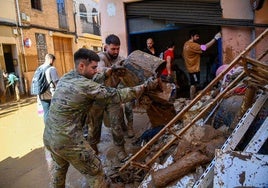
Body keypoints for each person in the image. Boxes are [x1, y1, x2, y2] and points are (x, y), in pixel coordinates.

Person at [43, 48, 158, 187]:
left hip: (49, 137)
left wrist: (108, 71)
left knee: (59, 170)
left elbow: (93, 79)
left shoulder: (67, 77)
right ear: (81, 66)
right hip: (68, 139)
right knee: (95, 172)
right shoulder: (85, 86)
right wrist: (145, 87)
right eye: (93, 67)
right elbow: (118, 95)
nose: (96, 70)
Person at [89, 34, 134, 160]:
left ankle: (120, 150)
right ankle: (93, 151)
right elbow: (100, 69)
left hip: (112, 95)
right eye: (113, 49)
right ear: (106, 47)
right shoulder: (100, 57)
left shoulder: (120, 58)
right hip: (97, 97)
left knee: (116, 124)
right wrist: (112, 69)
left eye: (118, 48)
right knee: (94, 127)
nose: (116, 51)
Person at [183, 29, 221, 99]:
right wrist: (215, 39)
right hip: (193, 69)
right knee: (193, 84)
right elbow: (204, 47)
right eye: (196, 36)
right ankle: (192, 100)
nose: (198, 38)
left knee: (193, 84)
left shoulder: (186, 44)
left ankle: (192, 98)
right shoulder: (192, 45)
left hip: (190, 67)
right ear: (192, 36)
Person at [37, 54, 59, 121]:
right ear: (51, 60)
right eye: (53, 61)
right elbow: (56, 83)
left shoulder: (39, 68)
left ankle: (48, 129)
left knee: (46, 113)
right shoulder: (52, 69)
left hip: (41, 94)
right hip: (51, 94)